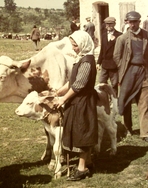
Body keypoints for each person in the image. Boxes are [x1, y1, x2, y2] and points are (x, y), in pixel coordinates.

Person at [54, 30, 98, 181]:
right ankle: (89, 162)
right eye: (73, 45)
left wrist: (63, 99)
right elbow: (73, 81)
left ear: (83, 44)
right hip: (77, 101)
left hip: (83, 102)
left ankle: (82, 168)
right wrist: (61, 90)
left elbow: (79, 85)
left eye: (76, 46)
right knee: (80, 132)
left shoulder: (87, 61)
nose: (73, 48)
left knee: (83, 133)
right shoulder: (81, 59)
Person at [113, 11, 148, 144]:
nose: (132, 25)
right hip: (128, 73)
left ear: (139, 21)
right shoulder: (122, 38)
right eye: (130, 22)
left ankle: (145, 133)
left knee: (144, 103)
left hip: (143, 72)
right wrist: (125, 69)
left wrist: (144, 66)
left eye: (135, 22)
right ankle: (127, 128)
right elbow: (116, 56)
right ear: (127, 22)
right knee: (125, 101)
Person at [97, 17, 122, 96]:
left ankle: (114, 100)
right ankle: (105, 98)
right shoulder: (104, 35)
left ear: (114, 24)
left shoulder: (119, 35)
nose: (108, 25)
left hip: (114, 64)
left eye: (110, 24)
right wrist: (98, 62)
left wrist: (113, 41)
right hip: (104, 64)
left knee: (114, 84)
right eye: (107, 24)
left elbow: (120, 51)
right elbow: (102, 50)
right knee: (101, 82)